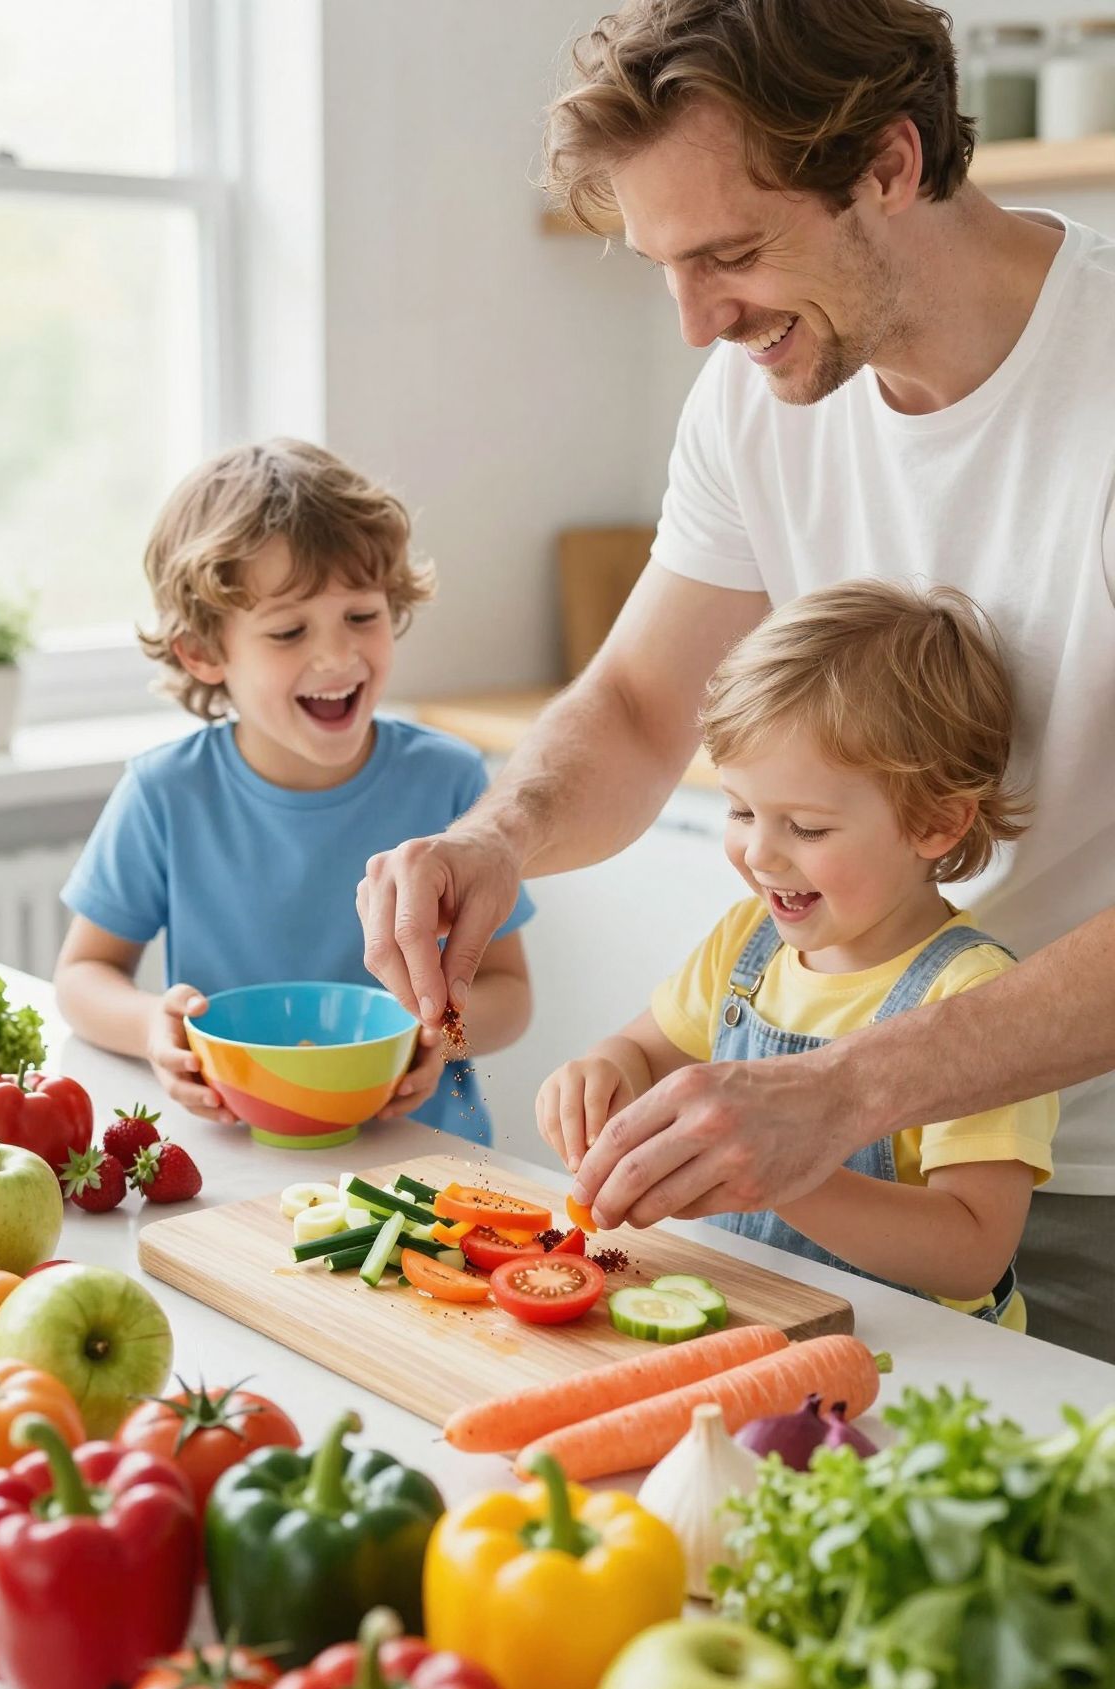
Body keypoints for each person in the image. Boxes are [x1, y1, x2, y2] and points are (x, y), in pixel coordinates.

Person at [356, 0, 1115, 1361]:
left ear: (890, 165)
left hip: (1077, 1202)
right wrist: (494, 840)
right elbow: (642, 709)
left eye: (732, 253)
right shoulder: (761, 399)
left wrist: (843, 1092)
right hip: (817, 1168)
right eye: (665, 266)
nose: (702, 320)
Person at [538, 580, 1056, 1327]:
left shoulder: (975, 997)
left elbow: (973, 1249)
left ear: (937, 823)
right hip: (751, 1329)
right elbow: (641, 1055)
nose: (758, 853)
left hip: (913, 1362)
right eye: (741, 809)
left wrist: (779, 1167)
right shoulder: (746, 943)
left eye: (806, 828)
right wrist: (601, 1074)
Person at [55, 439, 533, 1140]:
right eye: (287, 631)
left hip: (424, 1159)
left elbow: (510, 994)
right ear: (204, 652)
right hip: (239, 1157)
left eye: (362, 617)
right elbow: (82, 975)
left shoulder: (447, 778)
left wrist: (442, 1036)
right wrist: (150, 1027)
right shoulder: (165, 792)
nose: (337, 656)